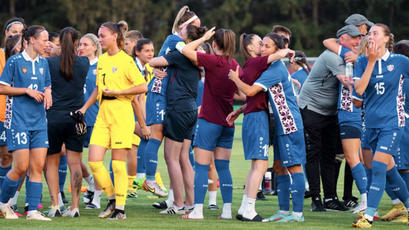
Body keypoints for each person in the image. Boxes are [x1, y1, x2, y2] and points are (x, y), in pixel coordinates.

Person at [229, 32, 306, 223]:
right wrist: (239, 112)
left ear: (276, 50)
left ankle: (297, 214)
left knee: (294, 167)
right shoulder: (270, 67)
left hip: (289, 123)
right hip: (279, 124)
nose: (262, 49)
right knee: (279, 168)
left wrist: (235, 78)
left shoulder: (275, 69)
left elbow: (250, 91)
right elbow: (259, 98)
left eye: (267, 46)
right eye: (261, 45)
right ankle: (282, 211)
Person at [78, 21, 147, 220]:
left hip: (121, 113)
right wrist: (83, 109)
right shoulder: (102, 61)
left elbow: (142, 87)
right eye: (98, 36)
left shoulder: (126, 60)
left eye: (102, 35)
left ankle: (120, 209)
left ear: (115, 36)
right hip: (103, 114)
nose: (100, 39)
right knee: (94, 161)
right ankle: (111, 199)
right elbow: (98, 90)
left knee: (117, 164)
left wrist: (119, 91)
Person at [298, 25, 363, 212]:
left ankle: (331, 198)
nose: (358, 41)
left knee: (329, 156)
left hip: (331, 113)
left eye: (359, 38)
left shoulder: (348, 54)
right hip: (312, 109)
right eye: (354, 38)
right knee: (314, 154)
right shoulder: (332, 56)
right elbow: (348, 82)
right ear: (342, 39)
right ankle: (316, 199)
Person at [142, 5, 200, 211]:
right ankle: (191, 203)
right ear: (184, 27)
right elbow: (157, 62)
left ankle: (175, 202)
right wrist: (157, 68)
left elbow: (153, 61)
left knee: (171, 157)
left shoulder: (182, 48)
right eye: (195, 27)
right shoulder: (183, 47)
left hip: (177, 106)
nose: (198, 31)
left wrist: (156, 66)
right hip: (185, 106)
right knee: (183, 156)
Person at [179, 27, 240, 220]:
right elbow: (243, 94)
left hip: (209, 122)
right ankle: (227, 211)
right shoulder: (235, 64)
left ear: (214, 44)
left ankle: (197, 210)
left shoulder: (213, 61)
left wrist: (203, 38)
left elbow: (185, 49)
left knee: (202, 167)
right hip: (228, 123)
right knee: (224, 168)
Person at [352, 24, 409, 228]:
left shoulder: (400, 62)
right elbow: (358, 91)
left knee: (377, 167)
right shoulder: (361, 62)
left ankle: (368, 216)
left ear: (386, 39)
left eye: (375, 33)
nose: (370, 36)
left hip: (393, 123)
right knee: (389, 171)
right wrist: (371, 62)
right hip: (371, 124)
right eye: (369, 34)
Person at [0, 25, 52, 221]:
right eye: (44, 40)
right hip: (19, 120)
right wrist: (26, 91)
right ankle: (3, 203)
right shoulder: (14, 61)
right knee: (21, 167)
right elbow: (2, 88)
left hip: (39, 121)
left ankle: (32, 211)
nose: (47, 44)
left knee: (37, 167)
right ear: (30, 40)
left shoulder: (43, 63)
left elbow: (47, 85)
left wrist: (48, 94)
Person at [45, 27, 89, 218]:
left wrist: (55, 51)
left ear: (59, 43)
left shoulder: (48, 63)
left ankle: (55, 204)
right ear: (77, 43)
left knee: (52, 163)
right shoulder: (84, 63)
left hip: (54, 118)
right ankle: (75, 206)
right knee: (75, 163)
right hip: (77, 118)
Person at [77, 33, 102, 209]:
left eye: (86, 44)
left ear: (95, 47)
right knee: (74, 158)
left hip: (95, 117)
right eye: (80, 44)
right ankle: (91, 183)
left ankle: (97, 199)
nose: (82, 47)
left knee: (96, 161)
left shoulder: (101, 65)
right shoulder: (75, 64)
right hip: (77, 118)